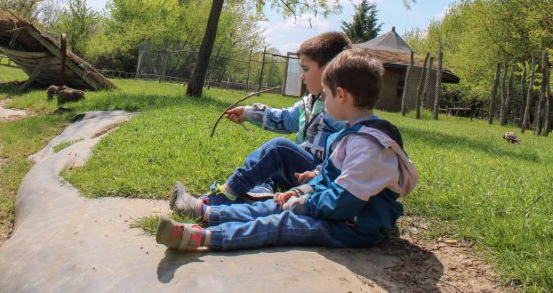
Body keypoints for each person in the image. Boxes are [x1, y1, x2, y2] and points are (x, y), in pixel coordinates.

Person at [156, 48, 419, 252]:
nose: (324, 101)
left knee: (282, 223)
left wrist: (303, 204)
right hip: (340, 215)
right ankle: (206, 212)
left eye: (327, 95)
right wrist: (298, 192)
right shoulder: (352, 134)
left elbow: (342, 202)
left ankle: (202, 238)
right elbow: (328, 179)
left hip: (352, 227)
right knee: (277, 205)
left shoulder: (368, 145)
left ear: (342, 96)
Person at [198, 32, 351, 206]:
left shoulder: (343, 113)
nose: (302, 76)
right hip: (301, 172)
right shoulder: (309, 103)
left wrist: (319, 173)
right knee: (266, 166)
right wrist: (248, 113)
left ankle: (227, 193)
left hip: (319, 175)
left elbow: (345, 159)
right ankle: (261, 195)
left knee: (278, 149)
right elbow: (284, 119)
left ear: (329, 70)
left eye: (306, 69)